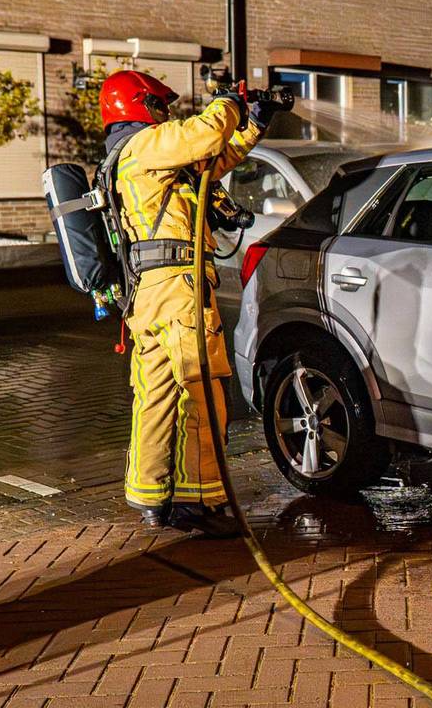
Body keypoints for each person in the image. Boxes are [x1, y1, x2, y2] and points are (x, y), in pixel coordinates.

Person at [99, 71, 279, 536]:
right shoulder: (145, 146)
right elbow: (202, 134)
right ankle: (197, 503)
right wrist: (227, 102)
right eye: (157, 106)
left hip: (149, 296)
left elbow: (212, 159)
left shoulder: (135, 158)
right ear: (137, 105)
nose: (163, 115)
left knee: (156, 397)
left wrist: (254, 120)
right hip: (177, 293)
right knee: (202, 391)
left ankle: (151, 495)